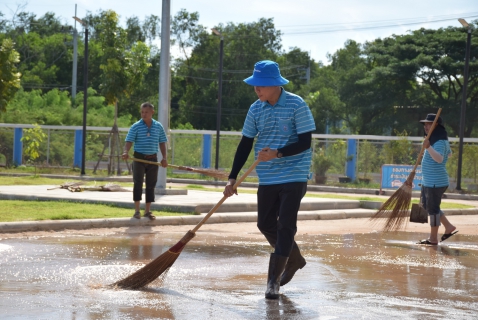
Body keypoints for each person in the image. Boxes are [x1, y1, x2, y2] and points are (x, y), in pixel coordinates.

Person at [223, 60, 316, 299]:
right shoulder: (255, 109)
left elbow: (306, 142)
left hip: (294, 173)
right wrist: (232, 178)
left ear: (275, 84)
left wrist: (278, 153)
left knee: (285, 224)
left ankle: (273, 282)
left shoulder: (297, 104)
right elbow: (245, 144)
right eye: (255, 85)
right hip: (268, 176)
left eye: (261, 85)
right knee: (265, 224)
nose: (257, 89)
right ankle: (293, 258)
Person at [122, 102, 168, 220]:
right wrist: (126, 152)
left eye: (146, 112)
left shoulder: (158, 126)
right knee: (138, 183)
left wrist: (164, 158)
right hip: (139, 158)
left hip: (153, 159)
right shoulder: (136, 126)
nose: (144, 114)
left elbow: (162, 142)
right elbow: (129, 141)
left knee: (151, 185)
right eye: (142, 112)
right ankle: (137, 211)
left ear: (152, 112)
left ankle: (147, 211)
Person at [417, 113, 458, 245]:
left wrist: (429, 148)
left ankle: (433, 238)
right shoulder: (438, 140)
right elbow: (449, 154)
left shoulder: (439, 141)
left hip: (435, 182)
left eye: (429, 124)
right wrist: (430, 148)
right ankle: (448, 227)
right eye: (425, 124)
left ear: (437, 126)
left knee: (433, 210)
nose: (426, 127)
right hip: (428, 181)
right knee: (427, 206)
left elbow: (440, 159)